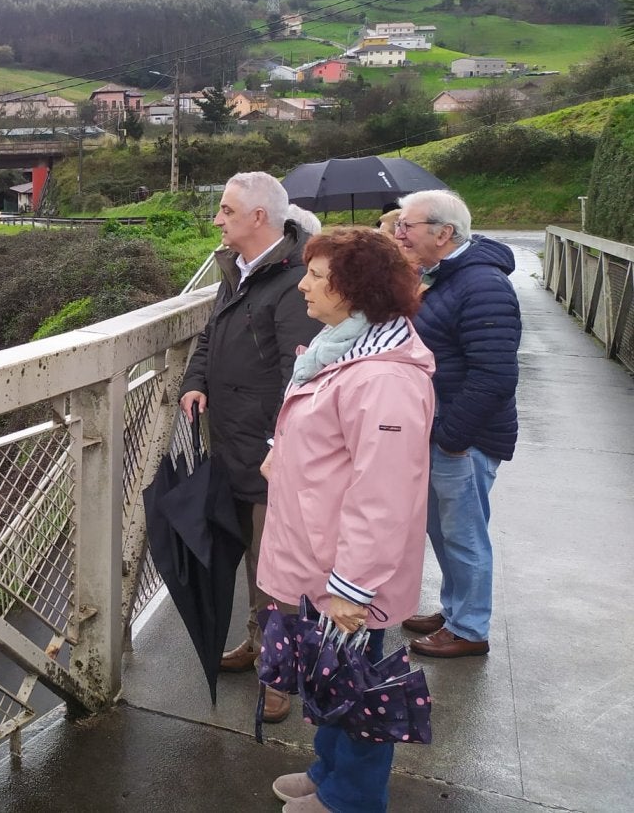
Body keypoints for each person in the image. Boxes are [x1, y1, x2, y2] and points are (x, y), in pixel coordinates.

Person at [258, 228, 436, 813]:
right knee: (332, 675)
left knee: (360, 691)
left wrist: (352, 588)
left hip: (349, 567)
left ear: (355, 288)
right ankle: (327, 773)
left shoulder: (384, 377)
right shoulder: (342, 347)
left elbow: (384, 494)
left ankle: (352, 799)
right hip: (323, 550)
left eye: (315, 274)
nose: (303, 283)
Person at [179, 171, 321, 723]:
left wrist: (278, 443)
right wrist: (195, 380)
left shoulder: (295, 280)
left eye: (226, 210)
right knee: (251, 560)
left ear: (259, 217)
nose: (218, 219)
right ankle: (260, 644)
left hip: (267, 450)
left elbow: (300, 373)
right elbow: (212, 336)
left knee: (276, 567)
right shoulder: (236, 272)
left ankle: (281, 675)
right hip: (231, 443)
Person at [394, 189, 521, 658]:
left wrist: (450, 439)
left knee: (464, 534)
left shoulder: (482, 284)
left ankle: (469, 628)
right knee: (445, 530)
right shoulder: (446, 277)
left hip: (463, 438)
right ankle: (455, 610)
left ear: (443, 234)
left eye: (407, 226)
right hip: (447, 432)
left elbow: (496, 376)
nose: (398, 233)